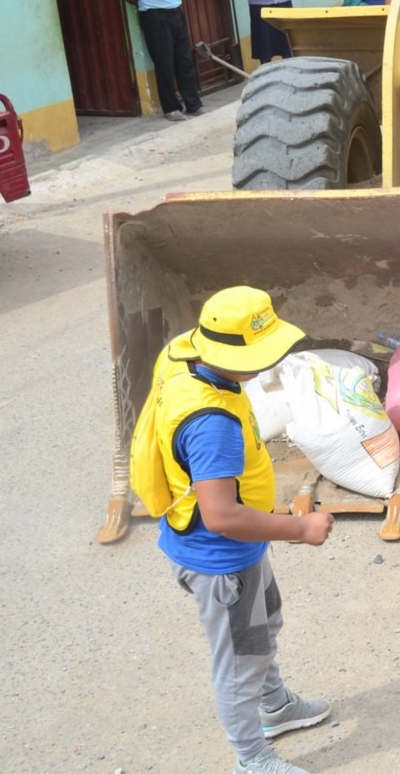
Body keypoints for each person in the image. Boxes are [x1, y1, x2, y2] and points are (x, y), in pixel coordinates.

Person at [135, 286, 335, 774]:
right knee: (241, 659)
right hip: (222, 558)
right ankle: (252, 758)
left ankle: (276, 706)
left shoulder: (187, 352)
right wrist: (300, 527)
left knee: (264, 626)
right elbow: (222, 515)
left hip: (239, 552)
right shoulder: (212, 426)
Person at [120, 0, 205, 122]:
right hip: (156, 17)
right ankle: (171, 108)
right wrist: (149, 4)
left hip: (176, 12)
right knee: (164, 65)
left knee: (185, 61)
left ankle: (193, 104)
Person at [247, 0, 293, 65]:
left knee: (288, 47)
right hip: (260, 0)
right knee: (265, 50)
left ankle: (291, 75)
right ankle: (267, 76)